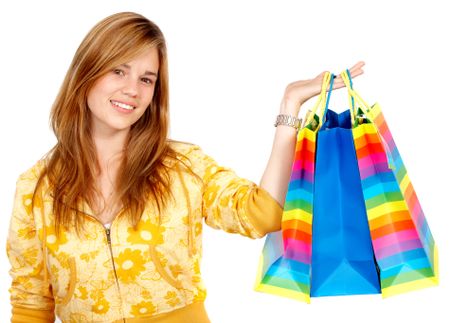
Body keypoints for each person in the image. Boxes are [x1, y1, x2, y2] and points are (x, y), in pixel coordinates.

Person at [6, 11, 364, 323]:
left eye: (147, 79)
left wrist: (290, 106)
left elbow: (262, 215)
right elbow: (31, 304)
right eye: (119, 71)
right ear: (86, 74)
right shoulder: (36, 188)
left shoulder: (183, 167)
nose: (133, 89)